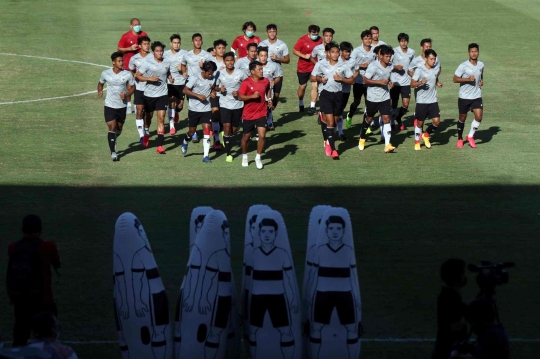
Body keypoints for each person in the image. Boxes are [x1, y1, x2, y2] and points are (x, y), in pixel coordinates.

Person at [307, 216, 361, 359]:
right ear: (326, 231)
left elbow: (353, 278)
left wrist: (356, 298)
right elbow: (313, 276)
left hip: (345, 295)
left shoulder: (348, 250)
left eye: (338, 228)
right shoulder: (319, 251)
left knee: (351, 329)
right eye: (331, 228)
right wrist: (310, 295)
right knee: (317, 328)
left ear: (343, 231)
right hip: (322, 295)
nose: (335, 232)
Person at [246, 218, 298, 359]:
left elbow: (288, 279)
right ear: (259, 233)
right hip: (258, 298)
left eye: (270, 231)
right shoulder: (253, 253)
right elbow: (248, 280)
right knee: (254, 331)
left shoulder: (282, 253)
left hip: (278, 298)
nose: (267, 235)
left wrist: (292, 298)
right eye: (263, 231)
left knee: (286, 331)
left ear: (276, 234)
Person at [7, 215, 61, 347]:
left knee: (20, 338)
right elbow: (57, 264)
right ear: (40, 229)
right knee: (47, 341)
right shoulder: (48, 246)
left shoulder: (13, 247)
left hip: (21, 300)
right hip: (44, 301)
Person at [311, 42, 355, 159]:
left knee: (334, 122)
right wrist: (320, 78)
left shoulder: (343, 65)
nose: (335, 54)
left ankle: (327, 134)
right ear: (328, 53)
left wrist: (341, 79)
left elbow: (351, 80)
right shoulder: (320, 64)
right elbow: (312, 77)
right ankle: (333, 149)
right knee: (330, 122)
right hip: (325, 94)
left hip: (338, 95)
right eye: (333, 52)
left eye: (337, 52)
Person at [135, 41, 173, 154]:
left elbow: (167, 71)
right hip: (149, 95)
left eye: (161, 51)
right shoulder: (147, 63)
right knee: (148, 117)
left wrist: (170, 77)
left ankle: (160, 145)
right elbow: (137, 76)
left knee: (161, 119)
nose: (160, 53)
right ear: (153, 52)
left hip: (162, 94)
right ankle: (146, 132)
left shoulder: (167, 62)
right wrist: (149, 79)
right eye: (157, 51)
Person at [97, 52, 135, 161]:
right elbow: (100, 83)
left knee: (119, 128)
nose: (122, 62)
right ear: (113, 62)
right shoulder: (105, 73)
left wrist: (127, 94)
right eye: (119, 61)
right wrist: (99, 90)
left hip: (121, 106)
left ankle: (113, 139)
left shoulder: (127, 74)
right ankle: (113, 152)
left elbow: (133, 87)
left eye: (122, 60)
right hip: (109, 105)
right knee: (112, 127)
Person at [358, 45, 396, 153]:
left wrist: (389, 82)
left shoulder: (390, 66)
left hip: (385, 97)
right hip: (373, 98)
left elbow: (386, 78)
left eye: (390, 56)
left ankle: (387, 144)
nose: (389, 58)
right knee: (369, 119)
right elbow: (365, 80)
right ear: (381, 56)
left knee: (386, 118)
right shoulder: (373, 66)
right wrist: (380, 82)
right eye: (387, 56)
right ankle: (362, 136)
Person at [238, 61, 273, 170]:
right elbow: (240, 97)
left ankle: (258, 157)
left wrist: (269, 99)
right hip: (248, 114)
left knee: (262, 136)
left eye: (262, 69)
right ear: (252, 71)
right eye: (259, 69)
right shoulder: (246, 83)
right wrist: (252, 97)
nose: (262, 71)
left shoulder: (265, 81)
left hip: (262, 113)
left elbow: (267, 91)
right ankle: (245, 155)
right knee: (246, 137)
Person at [181, 61, 218, 163]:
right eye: (209, 73)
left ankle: (206, 156)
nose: (211, 75)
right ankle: (185, 141)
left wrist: (214, 93)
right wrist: (198, 95)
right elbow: (185, 90)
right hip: (194, 110)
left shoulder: (213, 78)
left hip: (206, 109)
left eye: (212, 73)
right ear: (204, 71)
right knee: (191, 132)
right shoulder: (195, 78)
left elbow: (212, 89)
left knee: (207, 131)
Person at [432, 259, 468, 359]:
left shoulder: (448, 295)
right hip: (448, 350)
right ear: (458, 277)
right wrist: (468, 315)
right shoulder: (450, 297)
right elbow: (455, 326)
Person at [181, 34, 212, 143]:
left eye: (199, 40)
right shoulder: (187, 55)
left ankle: (204, 131)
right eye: (196, 40)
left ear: (202, 42)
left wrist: (202, 67)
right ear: (192, 42)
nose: (198, 42)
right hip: (191, 85)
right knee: (193, 107)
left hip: (204, 86)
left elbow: (211, 69)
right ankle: (193, 132)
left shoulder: (207, 55)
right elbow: (183, 64)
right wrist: (184, 72)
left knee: (204, 107)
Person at [217, 52, 248, 162]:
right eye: (227, 60)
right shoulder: (219, 73)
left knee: (234, 130)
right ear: (224, 62)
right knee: (226, 126)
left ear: (234, 61)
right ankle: (228, 154)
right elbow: (214, 86)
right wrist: (219, 89)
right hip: (224, 104)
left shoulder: (240, 73)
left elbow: (247, 86)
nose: (229, 62)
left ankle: (227, 135)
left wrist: (239, 92)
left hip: (237, 105)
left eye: (231, 60)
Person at [411, 49, 443, 150]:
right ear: (425, 59)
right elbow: (412, 84)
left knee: (437, 122)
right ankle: (417, 141)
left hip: (433, 101)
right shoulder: (419, 70)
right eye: (431, 59)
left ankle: (426, 135)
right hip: (421, 101)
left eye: (434, 59)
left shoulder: (436, 69)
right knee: (420, 123)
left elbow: (435, 77)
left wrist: (437, 82)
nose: (433, 61)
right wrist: (420, 82)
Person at [453, 43, 484, 148]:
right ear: (468, 53)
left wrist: (480, 82)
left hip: (476, 95)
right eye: (472, 51)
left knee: (479, 117)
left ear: (478, 52)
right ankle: (460, 138)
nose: (474, 53)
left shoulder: (481, 65)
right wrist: (467, 79)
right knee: (462, 118)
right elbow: (455, 79)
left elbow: (480, 76)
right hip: (464, 97)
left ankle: (470, 136)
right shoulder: (463, 66)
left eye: (476, 51)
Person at [117, 18, 148, 114]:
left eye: (139, 24)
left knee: (141, 85)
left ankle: (138, 103)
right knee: (130, 85)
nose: (137, 26)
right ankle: (128, 104)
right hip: (128, 65)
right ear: (131, 26)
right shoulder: (126, 36)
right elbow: (119, 48)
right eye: (135, 25)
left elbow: (146, 45)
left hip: (141, 65)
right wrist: (129, 48)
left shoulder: (144, 35)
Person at [346, 30, 375, 128]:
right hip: (358, 81)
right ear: (362, 39)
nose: (368, 40)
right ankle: (350, 115)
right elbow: (349, 64)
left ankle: (366, 125)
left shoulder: (375, 50)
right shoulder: (357, 51)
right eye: (366, 39)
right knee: (357, 102)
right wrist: (362, 65)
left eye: (369, 38)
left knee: (369, 103)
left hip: (370, 81)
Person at [129, 35, 152, 147]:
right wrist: (133, 77)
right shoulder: (134, 58)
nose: (147, 46)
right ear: (139, 45)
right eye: (145, 44)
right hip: (139, 89)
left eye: (148, 44)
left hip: (152, 89)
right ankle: (141, 136)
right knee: (139, 111)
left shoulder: (153, 57)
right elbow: (131, 69)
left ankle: (146, 127)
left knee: (149, 114)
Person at [293, 25, 322, 114]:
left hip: (314, 67)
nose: (315, 35)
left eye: (316, 34)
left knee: (315, 86)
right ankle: (301, 101)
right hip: (303, 67)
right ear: (309, 32)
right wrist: (304, 56)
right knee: (303, 86)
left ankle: (312, 106)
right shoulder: (302, 40)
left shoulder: (320, 40)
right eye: (313, 34)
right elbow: (294, 50)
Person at [260, 24, 290, 107]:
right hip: (264, 73)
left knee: (276, 96)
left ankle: (270, 111)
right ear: (267, 33)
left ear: (276, 32)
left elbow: (287, 60)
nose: (272, 34)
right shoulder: (262, 44)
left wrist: (278, 59)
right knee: (263, 94)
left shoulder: (282, 44)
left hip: (277, 74)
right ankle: (266, 115)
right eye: (270, 32)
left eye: (274, 31)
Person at [164, 34, 188, 135]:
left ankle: (177, 113)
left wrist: (183, 69)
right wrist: (168, 75)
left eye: (178, 43)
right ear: (171, 43)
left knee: (180, 105)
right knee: (171, 102)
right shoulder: (165, 54)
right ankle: (172, 126)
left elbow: (190, 66)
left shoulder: (185, 54)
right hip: (170, 83)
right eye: (174, 43)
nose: (176, 45)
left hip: (181, 82)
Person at [390, 33, 415, 130]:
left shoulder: (412, 52)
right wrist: (396, 67)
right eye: (401, 41)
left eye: (405, 41)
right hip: (395, 82)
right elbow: (387, 63)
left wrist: (413, 75)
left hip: (406, 82)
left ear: (407, 41)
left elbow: (412, 66)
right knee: (394, 104)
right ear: (399, 42)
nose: (403, 43)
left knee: (405, 104)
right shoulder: (394, 51)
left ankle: (398, 117)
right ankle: (392, 120)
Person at [338, 41, 359, 141]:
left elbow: (357, 71)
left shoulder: (353, 61)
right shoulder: (335, 59)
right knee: (334, 111)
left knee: (340, 110)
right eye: (346, 52)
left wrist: (351, 79)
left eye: (349, 52)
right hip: (335, 90)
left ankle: (340, 131)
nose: (348, 54)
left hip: (346, 90)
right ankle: (338, 132)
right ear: (341, 51)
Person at [257, 46, 282, 130]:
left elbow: (278, 77)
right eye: (261, 55)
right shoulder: (254, 65)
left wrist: (274, 82)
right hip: (256, 89)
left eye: (265, 55)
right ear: (258, 56)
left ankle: (270, 122)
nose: (263, 58)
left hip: (268, 90)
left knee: (268, 105)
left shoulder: (273, 66)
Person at [210, 39, 228, 150]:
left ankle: (223, 135)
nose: (221, 50)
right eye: (219, 48)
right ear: (215, 50)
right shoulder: (211, 62)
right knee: (215, 113)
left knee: (224, 118)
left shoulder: (230, 61)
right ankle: (216, 139)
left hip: (227, 95)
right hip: (214, 93)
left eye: (223, 48)